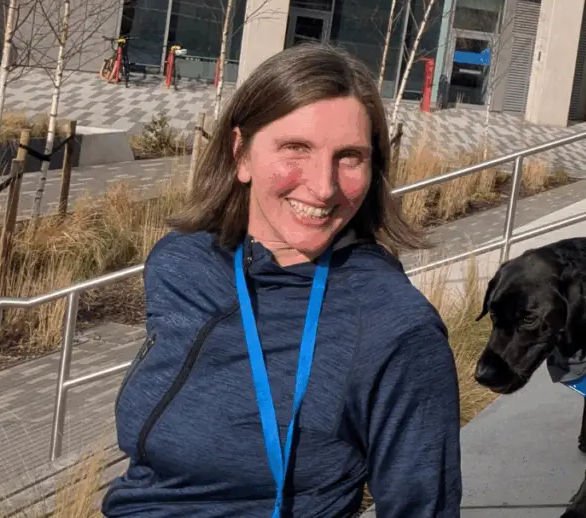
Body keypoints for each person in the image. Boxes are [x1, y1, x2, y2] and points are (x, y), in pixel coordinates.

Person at [102, 44, 463, 517]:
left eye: (349, 157)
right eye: (296, 148)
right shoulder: (180, 263)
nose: (323, 186)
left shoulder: (394, 328)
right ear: (241, 154)